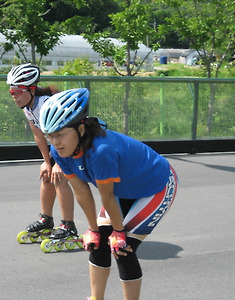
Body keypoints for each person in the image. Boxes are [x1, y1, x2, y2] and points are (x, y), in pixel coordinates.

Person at [39, 88, 178, 300]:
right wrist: (93, 230)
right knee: (97, 243)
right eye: (50, 136)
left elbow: (107, 196)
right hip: (122, 189)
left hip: (155, 186)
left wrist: (119, 232)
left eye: (60, 134)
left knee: (123, 248)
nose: (55, 142)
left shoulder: (102, 152)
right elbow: (81, 192)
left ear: (81, 129)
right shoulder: (60, 152)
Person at [6, 63, 77, 239]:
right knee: (47, 175)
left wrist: (59, 163)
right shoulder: (28, 107)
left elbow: (64, 134)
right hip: (57, 144)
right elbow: (38, 134)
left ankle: (69, 226)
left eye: (18, 91)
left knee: (58, 177)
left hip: (73, 143)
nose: (14, 96)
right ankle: (46, 219)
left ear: (31, 89)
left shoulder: (47, 104)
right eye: (11, 92)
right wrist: (47, 162)